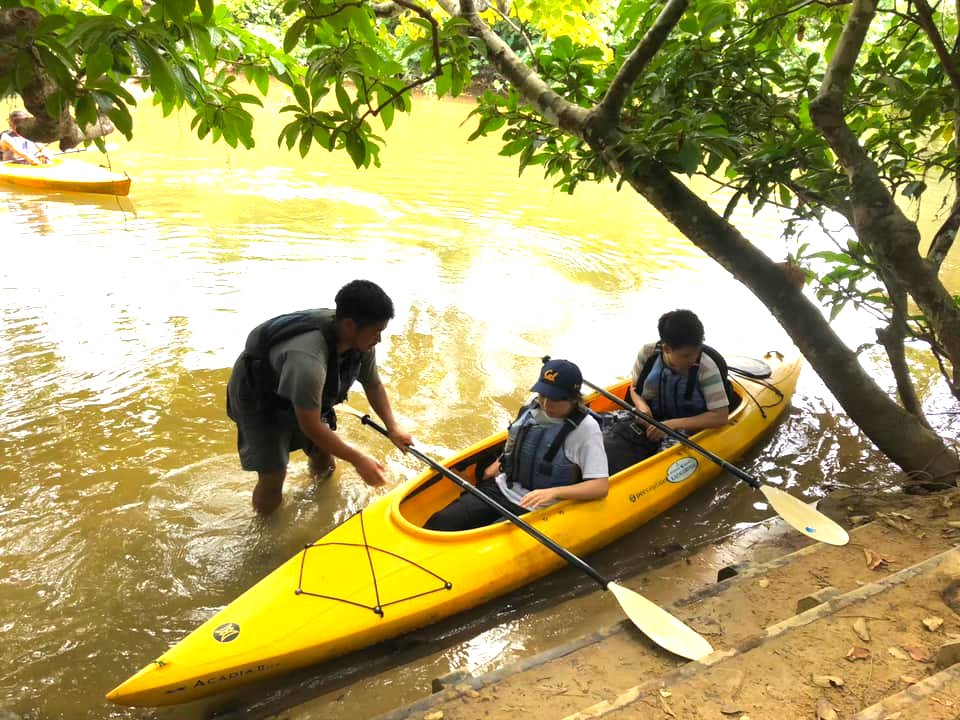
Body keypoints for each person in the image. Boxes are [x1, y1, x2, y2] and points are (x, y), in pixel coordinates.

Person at [226, 279, 413, 515]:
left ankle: (320, 510)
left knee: (325, 460)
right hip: (260, 398)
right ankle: (265, 532)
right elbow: (311, 425)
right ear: (349, 325)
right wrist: (358, 459)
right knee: (273, 475)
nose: (379, 339)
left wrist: (393, 428)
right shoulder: (307, 360)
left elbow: (373, 384)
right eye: (376, 332)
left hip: (304, 392)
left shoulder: (361, 342)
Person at [424, 359, 609, 531]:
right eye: (542, 394)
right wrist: (496, 465)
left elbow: (599, 486)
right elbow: (517, 443)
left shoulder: (586, 430)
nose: (545, 403)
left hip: (539, 507)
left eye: (553, 399)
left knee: (487, 537)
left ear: (572, 398)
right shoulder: (533, 407)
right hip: (502, 487)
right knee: (440, 522)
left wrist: (553, 492)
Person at [603, 309, 731, 475]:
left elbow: (720, 417)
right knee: (605, 430)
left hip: (687, 427)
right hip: (650, 419)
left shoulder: (706, 368)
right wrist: (642, 408)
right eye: (685, 356)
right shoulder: (648, 354)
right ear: (667, 348)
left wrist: (671, 425)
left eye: (696, 353)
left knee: (660, 466)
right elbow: (634, 388)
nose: (692, 359)